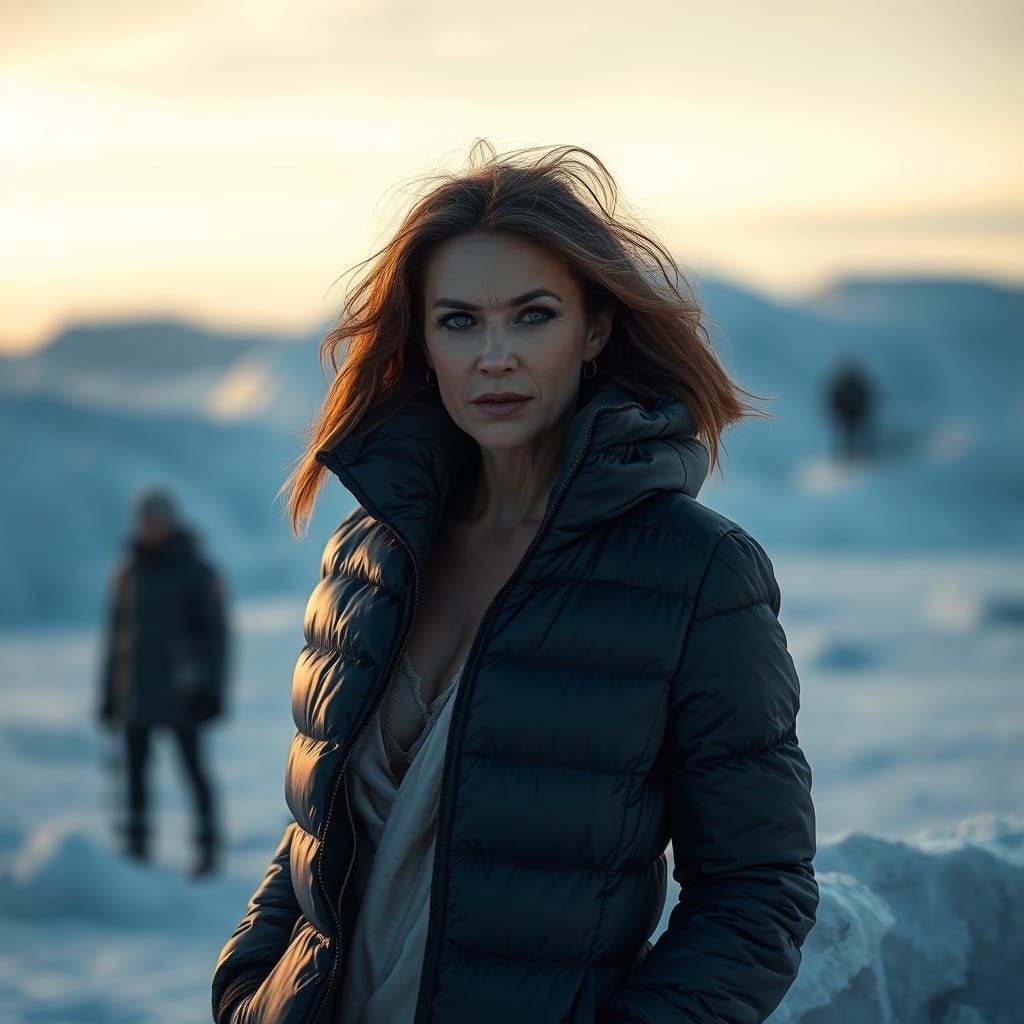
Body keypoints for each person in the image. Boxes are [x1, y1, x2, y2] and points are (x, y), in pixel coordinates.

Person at [210, 141, 819, 1024]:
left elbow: (758, 891)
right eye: (459, 321)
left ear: (596, 328)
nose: (494, 355)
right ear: (421, 341)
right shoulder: (367, 557)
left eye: (532, 316)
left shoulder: (694, 574)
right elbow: (322, 830)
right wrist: (245, 990)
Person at [97, 485, 229, 877]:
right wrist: (109, 694)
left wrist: (210, 690)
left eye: (155, 520)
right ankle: (137, 849)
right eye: (144, 520)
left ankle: (207, 845)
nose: (149, 527)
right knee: (135, 773)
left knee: (192, 768)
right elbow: (115, 637)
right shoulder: (128, 570)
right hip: (135, 693)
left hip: (181, 694)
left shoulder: (196, 570)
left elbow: (216, 636)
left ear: (170, 523)